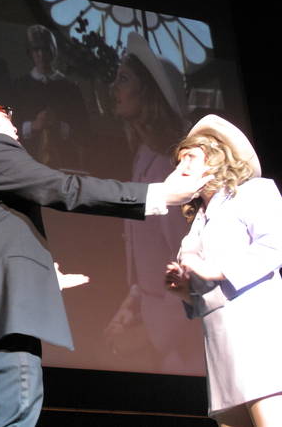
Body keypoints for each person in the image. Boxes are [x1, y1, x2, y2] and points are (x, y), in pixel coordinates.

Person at [0, 93, 213, 426]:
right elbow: (65, 188)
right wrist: (159, 195)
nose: (14, 122)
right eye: (6, 112)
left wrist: (41, 276)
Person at [165, 114, 282, 426]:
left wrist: (215, 270)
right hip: (219, 340)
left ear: (215, 158)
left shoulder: (254, 192)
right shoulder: (197, 223)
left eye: (190, 157)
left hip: (257, 331)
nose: (181, 167)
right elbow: (207, 295)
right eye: (179, 161)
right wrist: (186, 292)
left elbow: (275, 246)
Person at [104, 32, 203, 373]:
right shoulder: (145, 154)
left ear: (148, 92)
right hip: (156, 324)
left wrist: (151, 335)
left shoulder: (173, 166)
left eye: (124, 79)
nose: (114, 88)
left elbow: (189, 265)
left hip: (181, 342)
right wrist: (133, 300)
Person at [13, 24, 88, 169]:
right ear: (30, 52)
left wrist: (58, 125)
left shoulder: (70, 88)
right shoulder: (19, 86)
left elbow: (83, 130)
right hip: (26, 162)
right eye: (36, 49)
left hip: (64, 162)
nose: (41, 54)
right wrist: (33, 126)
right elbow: (9, 126)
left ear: (53, 50)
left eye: (45, 49)